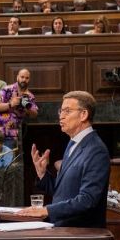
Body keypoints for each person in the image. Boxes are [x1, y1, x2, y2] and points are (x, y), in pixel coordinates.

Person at [20, 91, 111, 228]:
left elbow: (87, 200)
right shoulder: (72, 143)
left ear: (84, 115)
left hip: (81, 234)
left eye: (67, 111)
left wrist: (46, 210)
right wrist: (42, 174)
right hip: (62, 228)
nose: (61, 116)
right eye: (61, 111)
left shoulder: (96, 150)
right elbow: (64, 192)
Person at [0, 69, 38, 145]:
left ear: (29, 80)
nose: (24, 80)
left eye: (27, 78)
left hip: (10, 132)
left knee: (9, 156)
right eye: (22, 77)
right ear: (17, 77)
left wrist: (27, 108)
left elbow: (35, 114)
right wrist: (10, 104)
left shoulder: (30, 96)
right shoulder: (7, 89)